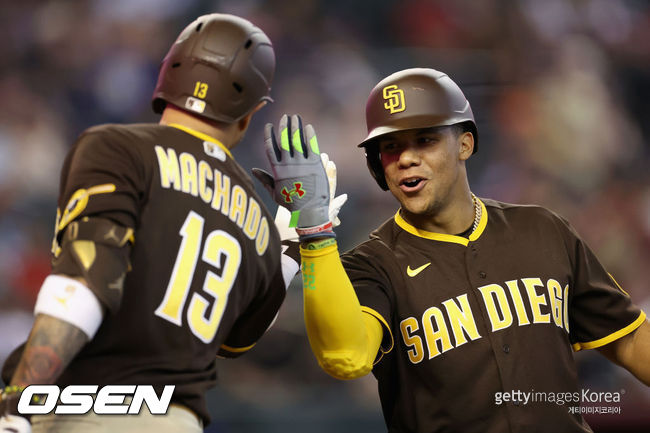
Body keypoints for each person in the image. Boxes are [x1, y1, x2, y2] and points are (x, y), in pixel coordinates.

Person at [257, 68, 650, 432]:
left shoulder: (542, 228)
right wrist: (314, 231)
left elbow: (628, 337)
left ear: (464, 143)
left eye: (424, 140)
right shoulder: (371, 265)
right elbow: (346, 357)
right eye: (391, 147)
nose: (406, 158)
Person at [0, 13, 290, 433]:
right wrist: (299, 238)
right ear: (251, 112)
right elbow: (238, 340)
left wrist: (19, 401)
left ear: (167, 75)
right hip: (177, 420)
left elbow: (84, 284)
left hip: (86, 411)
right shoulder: (262, 220)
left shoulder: (119, 148)